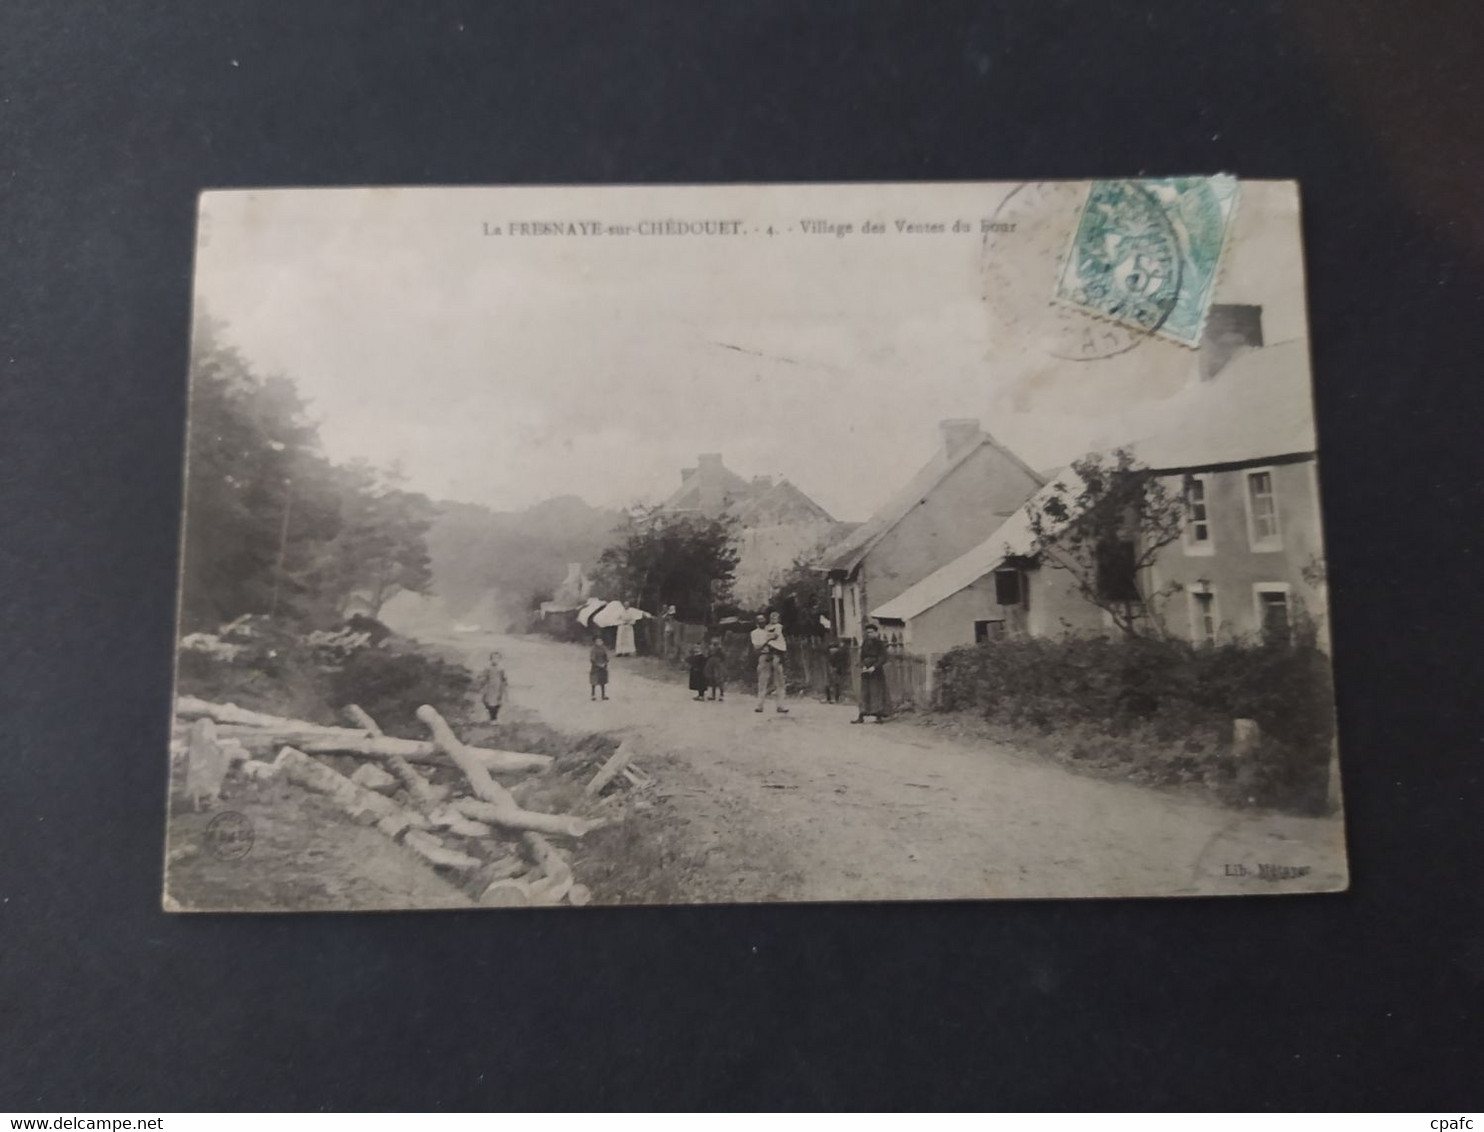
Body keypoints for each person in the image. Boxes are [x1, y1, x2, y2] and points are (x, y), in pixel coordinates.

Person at [751, 611, 789, 714]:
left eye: (763, 620)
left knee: (780, 681)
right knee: (763, 682)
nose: (762, 622)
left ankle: (781, 705)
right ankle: (760, 705)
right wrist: (767, 641)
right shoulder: (755, 633)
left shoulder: (772, 629)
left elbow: (780, 640)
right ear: (756, 622)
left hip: (776, 655)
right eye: (760, 620)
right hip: (764, 656)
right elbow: (756, 648)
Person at [853, 623, 890, 724]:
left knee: (876, 692)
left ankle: (878, 716)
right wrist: (863, 666)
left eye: (871, 632)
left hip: (876, 671)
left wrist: (874, 667)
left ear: (876, 633)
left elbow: (883, 657)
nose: (869, 634)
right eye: (868, 632)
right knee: (864, 692)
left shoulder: (880, 643)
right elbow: (862, 656)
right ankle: (861, 715)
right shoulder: (865, 643)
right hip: (865, 671)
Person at [480, 651, 508, 722]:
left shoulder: (501, 669)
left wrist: (504, 685)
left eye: (497, 658)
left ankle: (494, 718)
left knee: (498, 702)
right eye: (493, 658)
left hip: (498, 687)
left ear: (499, 659)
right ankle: (491, 717)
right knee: (487, 702)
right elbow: (484, 677)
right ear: (490, 659)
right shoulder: (488, 668)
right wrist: (483, 684)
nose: (495, 660)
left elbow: (503, 679)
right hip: (490, 687)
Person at [824, 638, 848, 704]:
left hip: (837, 671)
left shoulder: (839, 654)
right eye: (831, 648)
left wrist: (836, 668)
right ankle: (828, 698)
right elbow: (828, 662)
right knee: (828, 684)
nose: (832, 650)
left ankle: (836, 698)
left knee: (836, 684)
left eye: (834, 648)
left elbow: (840, 663)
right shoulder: (829, 655)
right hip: (830, 670)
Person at [705, 637, 727, 701]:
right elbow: (708, 656)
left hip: (718, 665)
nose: (714, 645)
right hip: (711, 664)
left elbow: (723, 657)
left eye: (715, 643)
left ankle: (721, 695)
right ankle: (713, 695)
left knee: (719, 679)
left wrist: (720, 662)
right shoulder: (710, 649)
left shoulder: (720, 650)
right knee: (712, 679)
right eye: (713, 643)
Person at [588, 636, 609, 701]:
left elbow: (607, 657)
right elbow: (592, 659)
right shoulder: (593, 649)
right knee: (594, 681)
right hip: (595, 667)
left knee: (603, 681)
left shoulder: (604, 648)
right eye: (598, 641)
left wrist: (605, 662)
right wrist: (598, 664)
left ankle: (603, 695)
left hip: (603, 666)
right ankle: (593, 695)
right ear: (595, 642)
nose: (599, 642)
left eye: (601, 641)